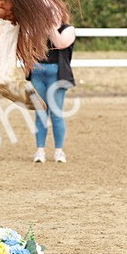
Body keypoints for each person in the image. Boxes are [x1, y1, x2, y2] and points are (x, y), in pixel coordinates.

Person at [30, 17, 77, 164]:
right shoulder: (36, 28)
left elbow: (60, 43)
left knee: (56, 114)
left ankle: (59, 151)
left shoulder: (68, 29)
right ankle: (40, 150)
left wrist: (50, 27)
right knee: (40, 113)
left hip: (57, 74)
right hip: (37, 72)